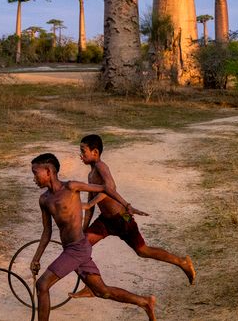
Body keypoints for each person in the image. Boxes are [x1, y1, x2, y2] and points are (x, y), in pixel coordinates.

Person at [29, 153, 156, 321]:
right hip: (71, 249)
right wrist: (36, 259)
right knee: (101, 291)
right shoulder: (44, 200)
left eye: (35, 173)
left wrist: (127, 206)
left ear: (47, 171)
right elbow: (47, 232)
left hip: (77, 248)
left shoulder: (71, 187)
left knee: (42, 284)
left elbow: (105, 188)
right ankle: (145, 301)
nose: (33, 178)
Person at [70, 134, 195, 299]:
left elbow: (110, 188)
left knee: (142, 250)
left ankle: (182, 262)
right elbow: (90, 206)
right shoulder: (90, 175)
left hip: (122, 217)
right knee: (81, 245)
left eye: (83, 151)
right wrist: (83, 228)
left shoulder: (101, 166)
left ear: (95, 152)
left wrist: (90, 204)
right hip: (106, 221)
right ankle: (91, 286)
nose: (81, 155)